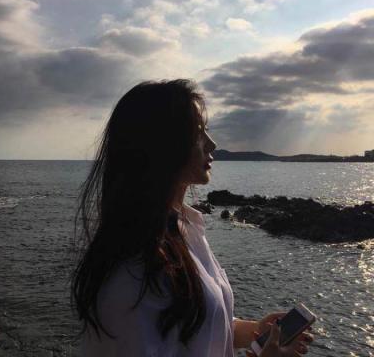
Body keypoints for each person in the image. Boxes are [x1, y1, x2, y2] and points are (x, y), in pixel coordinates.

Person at [71, 79, 314, 356]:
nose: (212, 143)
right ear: (161, 145)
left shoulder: (183, 229)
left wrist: (255, 331)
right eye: (197, 132)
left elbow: (197, 328)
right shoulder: (132, 271)